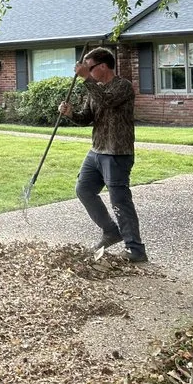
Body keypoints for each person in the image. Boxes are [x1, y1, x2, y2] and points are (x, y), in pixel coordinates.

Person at [58, 47, 148, 263]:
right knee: (84, 190)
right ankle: (110, 231)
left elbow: (107, 100)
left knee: (120, 200)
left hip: (117, 153)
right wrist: (70, 113)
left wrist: (86, 79)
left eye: (89, 68)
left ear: (103, 66)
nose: (86, 72)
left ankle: (135, 249)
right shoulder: (95, 88)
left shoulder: (123, 86)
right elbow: (86, 117)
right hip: (96, 151)